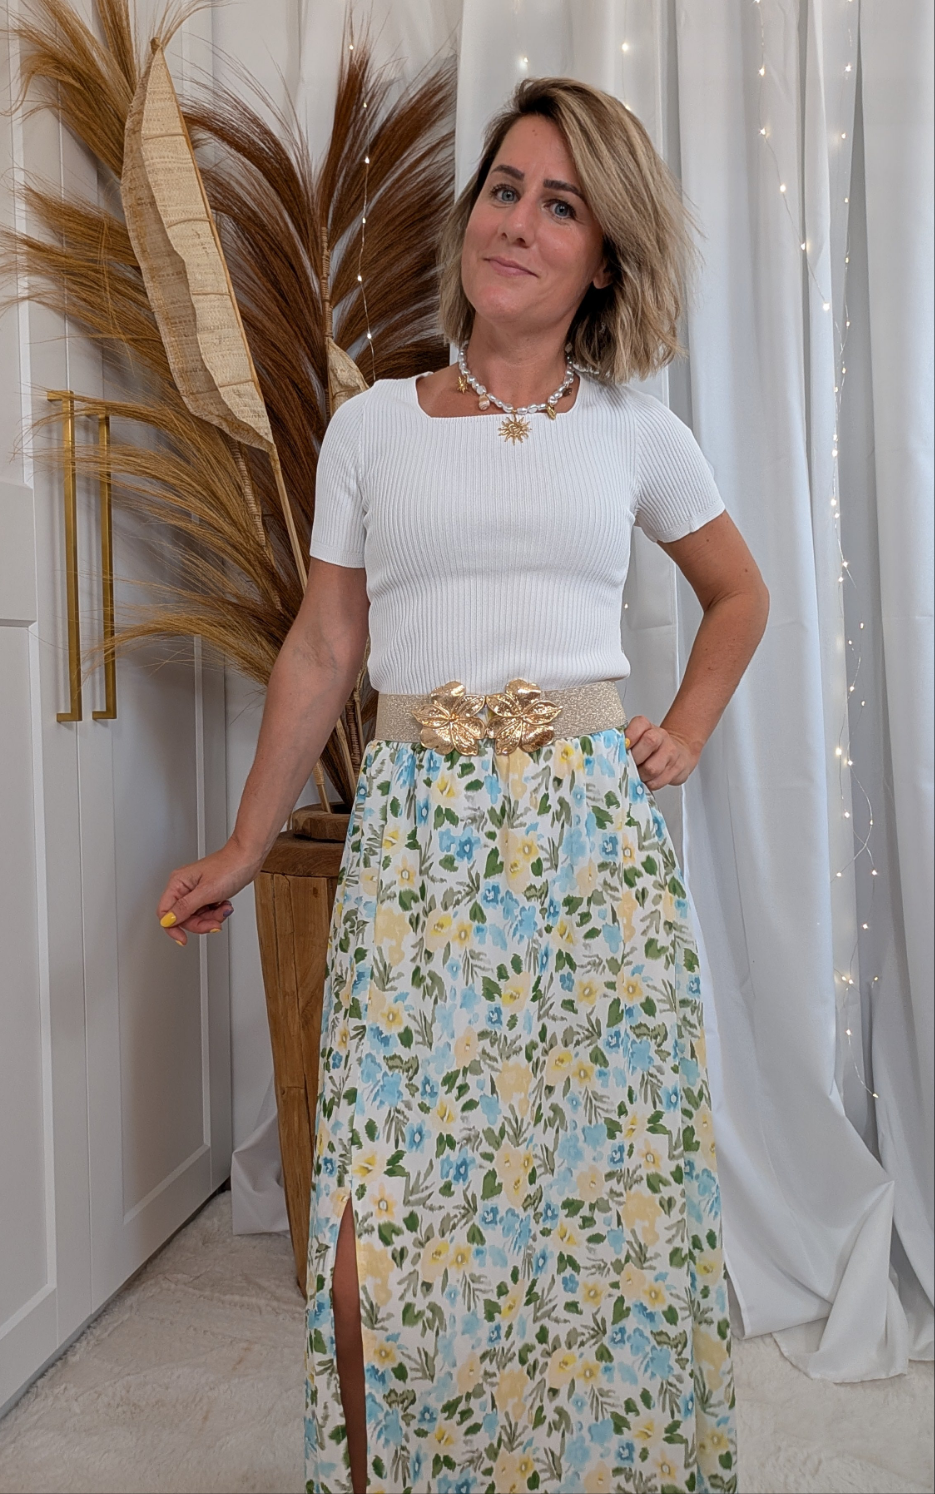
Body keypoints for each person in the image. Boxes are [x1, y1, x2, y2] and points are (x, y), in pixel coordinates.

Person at [157, 75, 767, 1494]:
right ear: (471, 212)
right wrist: (245, 844)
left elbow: (738, 596)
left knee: (599, 1215)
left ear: (602, 256)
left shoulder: (634, 430)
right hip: (417, 853)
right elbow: (327, 644)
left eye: (561, 206)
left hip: (586, 856)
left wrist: (682, 728)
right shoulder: (372, 428)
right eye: (505, 188)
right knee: (381, 1229)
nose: (519, 223)